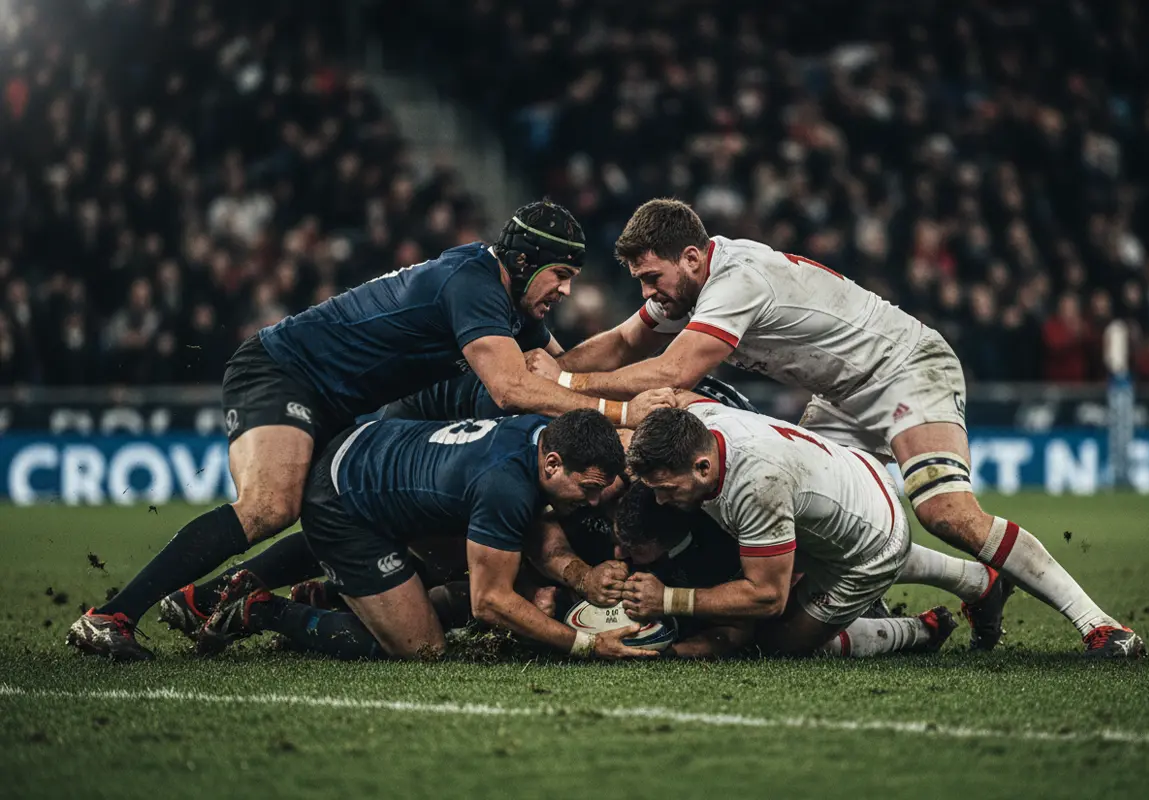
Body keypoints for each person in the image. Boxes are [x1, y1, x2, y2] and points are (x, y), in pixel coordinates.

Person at [528, 198, 1142, 658]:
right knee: (821, 522)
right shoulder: (690, 284)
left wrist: (561, 389)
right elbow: (624, 342)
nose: (647, 292)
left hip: (903, 368)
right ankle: (974, 583)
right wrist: (550, 369)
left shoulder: (737, 279)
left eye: (651, 277)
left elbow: (671, 369)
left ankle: (1099, 624)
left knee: (944, 511)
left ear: (692, 256)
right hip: (844, 394)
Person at [67, 200, 673, 660]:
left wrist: (637, 389)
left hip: (341, 402)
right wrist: (622, 413)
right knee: (269, 506)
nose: (566, 289)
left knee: (347, 505)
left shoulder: (507, 302)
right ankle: (114, 615)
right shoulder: (475, 285)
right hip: (286, 372)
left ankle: (216, 595)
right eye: (560, 274)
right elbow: (514, 389)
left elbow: (558, 374)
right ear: (522, 263)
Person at [195, 410, 654, 661]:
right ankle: (259, 608)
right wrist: (585, 644)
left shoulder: (536, 431)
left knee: (459, 568)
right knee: (422, 646)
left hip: (371, 451)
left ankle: (340, 596)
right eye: (589, 490)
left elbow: (537, 535)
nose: (594, 504)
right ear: (553, 465)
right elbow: (489, 602)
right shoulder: (506, 486)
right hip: (343, 500)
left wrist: (583, 578)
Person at [619, 401, 987, 658]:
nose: (661, 501)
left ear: (701, 468)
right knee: (808, 543)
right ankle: (975, 579)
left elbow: (766, 598)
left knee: (774, 641)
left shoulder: (756, 485)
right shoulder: (698, 422)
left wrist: (668, 599)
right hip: (857, 475)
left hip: (871, 548)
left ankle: (920, 630)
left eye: (666, 490)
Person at [612, 481, 1008, 659]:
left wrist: (668, 642)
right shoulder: (661, 496)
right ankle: (968, 585)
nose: (618, 552)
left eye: (631, 548)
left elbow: (742, 624)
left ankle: (919, 630)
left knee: (778, 639)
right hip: (816, 510)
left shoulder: (716, 546)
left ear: (660, 543)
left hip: (802, 558)